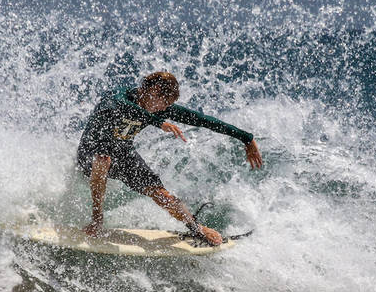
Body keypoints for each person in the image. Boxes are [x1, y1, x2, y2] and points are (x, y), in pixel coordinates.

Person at [76, 71, 263, 245]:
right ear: (149, 91)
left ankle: (195, 228)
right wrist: (157, 122)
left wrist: (246, 138)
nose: (163, 108)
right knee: (103, 160)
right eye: (162, 102)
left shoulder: (161, 110)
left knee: (161, 194)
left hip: (122, 153)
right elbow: (126, 108)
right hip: (91, 151)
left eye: (167, 104)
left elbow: (203, 120)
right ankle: (97, 221)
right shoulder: (118, 98)